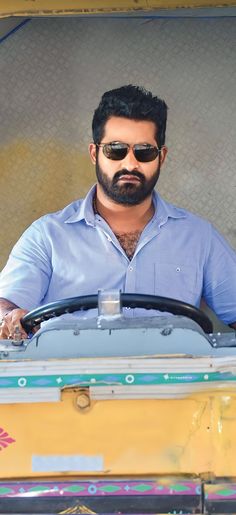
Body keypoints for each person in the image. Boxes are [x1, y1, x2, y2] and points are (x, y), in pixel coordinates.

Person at [0, 84, 235, 339]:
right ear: (94, 153)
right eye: (116, 150)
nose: (130, 163)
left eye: (144, 152)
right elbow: (5, 307)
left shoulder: (199, 237)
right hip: (72, 378)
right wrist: (10, 318)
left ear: (161, 157)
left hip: (171, 377)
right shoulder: (46, 236)